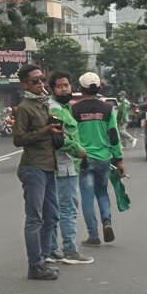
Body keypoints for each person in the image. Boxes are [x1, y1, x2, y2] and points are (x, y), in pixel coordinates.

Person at [12, 64, 62, 281]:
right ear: (24, 84)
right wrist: (45, 130)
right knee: (35, 219)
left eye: (42, 79)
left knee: (52, 216)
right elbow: (18, 139)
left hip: (49, 165)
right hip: (33, 167)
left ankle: (43, 259)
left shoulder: (44, 105)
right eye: (35, 81)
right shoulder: (25, 108)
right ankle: (35, 266)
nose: (40, 84)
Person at [44, 72, 94, 265]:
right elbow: (60, 139)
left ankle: (52, 250)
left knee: (55, 209)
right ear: (52, 89)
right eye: (59, 86)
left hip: (62, 165)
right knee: (67, 209)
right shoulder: (55, 109)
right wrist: (80, 151)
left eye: (66, 85)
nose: (64, 88)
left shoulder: (64, 108)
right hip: (63, 166)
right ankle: (70, 251)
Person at [73, 72, 125, 246]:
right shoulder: (107, 109)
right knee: (102, 192)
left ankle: (93, 235)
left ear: (81, 89)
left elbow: (71, 136)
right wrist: (118, 159)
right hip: (104, 158)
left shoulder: (74, 110)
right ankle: (107, 221)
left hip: (84, 159)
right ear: (98, 88)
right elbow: (114, 135)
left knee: (87, 197)